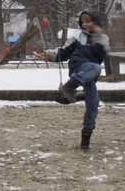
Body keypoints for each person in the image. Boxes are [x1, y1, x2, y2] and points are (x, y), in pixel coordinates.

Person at [36, 10, 110, 150]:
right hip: (78, 68)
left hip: (88, 74)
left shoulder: (103, 38)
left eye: (88, 21)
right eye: (82, 21)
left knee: (93, 102)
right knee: (96, 68)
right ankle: (69, 87)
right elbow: (64, 51)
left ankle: (85, 141)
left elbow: (101, 54)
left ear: (96, 22)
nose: (85, 24)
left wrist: (98, 35)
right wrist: (49, 54)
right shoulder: (77, 36)